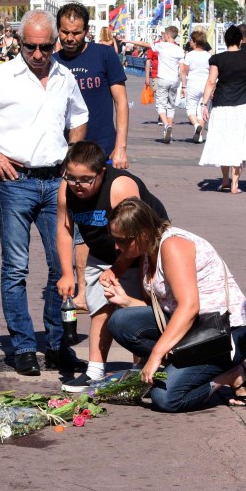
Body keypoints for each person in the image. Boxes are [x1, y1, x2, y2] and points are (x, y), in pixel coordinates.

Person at [0, 9, 89, 376]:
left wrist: (73, 158)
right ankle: (24, 346)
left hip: (57, 182)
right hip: (15, 183)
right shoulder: (1, 77)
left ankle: (58, 344)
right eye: (31, 47)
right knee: (15, 268)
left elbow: (79, 118)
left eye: (45, 47)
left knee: (62, 265)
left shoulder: (65, 77)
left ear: (55, 43)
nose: (39, 54)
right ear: (19, 42)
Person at [104, 199, 246, 412]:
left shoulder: (173, 245)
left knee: (166, 399)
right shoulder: (149, 250)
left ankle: (232, 374)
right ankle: (180, 370)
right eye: (115, 239)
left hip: (226, 333)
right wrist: (126, 302)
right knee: (121, 322)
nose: (116, 246)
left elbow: (189, 306)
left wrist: (157, 354)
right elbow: (166, 308)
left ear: (144, 233)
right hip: (194, 328)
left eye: (122, 241)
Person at [56, 142, 168, 391]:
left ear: (102, 172)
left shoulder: (120, 187)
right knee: (101, 306)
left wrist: (117, 269)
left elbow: (134, 237)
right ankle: (95, 371)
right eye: (72, 177)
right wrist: (67, 274)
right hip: (102, 249)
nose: (77, 185)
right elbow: (65, 231)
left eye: (86, 179)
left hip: (140, 246)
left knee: (136, 306)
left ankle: (141, 370)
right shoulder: (66, 189)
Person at [53, 2, 129, 168]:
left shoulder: (104, 54)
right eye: (64, 32)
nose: (70, 38)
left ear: (86, 31)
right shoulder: (53, 63)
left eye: (76, 33)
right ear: (58, 29)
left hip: (103, 150)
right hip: (65, 152)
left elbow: (121, 101)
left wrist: (120, 147)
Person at [198, 24, 246, 193]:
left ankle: (224, 180)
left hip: (222, 105)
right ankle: (236, 183)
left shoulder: (217, 59)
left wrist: (204, 103)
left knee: (224, 141)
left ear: (225, 40)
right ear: (240, 40)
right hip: (245, 105)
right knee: (240, 142)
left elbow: (211, 82)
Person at [179, 29, 212, 143]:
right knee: (202, 109)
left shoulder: (189, 55)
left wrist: (183, 86)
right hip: (205, 85)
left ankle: (196, 125)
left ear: (194, 42)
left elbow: (184, 72)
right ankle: (199, 135)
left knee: (190, 109)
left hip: (192, 84)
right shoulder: (209, 56)